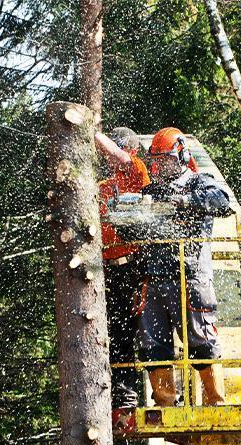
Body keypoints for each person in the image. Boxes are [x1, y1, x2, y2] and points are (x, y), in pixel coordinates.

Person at [136, 127, 232, 407]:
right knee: (153, 343)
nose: (160, 165)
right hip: (153, 276)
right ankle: (165, 401)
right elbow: (134, 229)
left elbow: (222, 202)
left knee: (200, 338)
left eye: (164, 159)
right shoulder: (151, 191)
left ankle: (214, 400)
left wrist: (184, 201)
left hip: (190, 274)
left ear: (180, 155)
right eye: (157, 159)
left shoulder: (200, 183)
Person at [96, 128, 151, 412]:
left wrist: (91, 132)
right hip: (108, 267)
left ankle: (160, 391)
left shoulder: (135, 170)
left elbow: (120, 158)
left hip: (135, 266)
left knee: (144, 329)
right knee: (117, 333)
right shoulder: (102, 186)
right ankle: (123, 393)